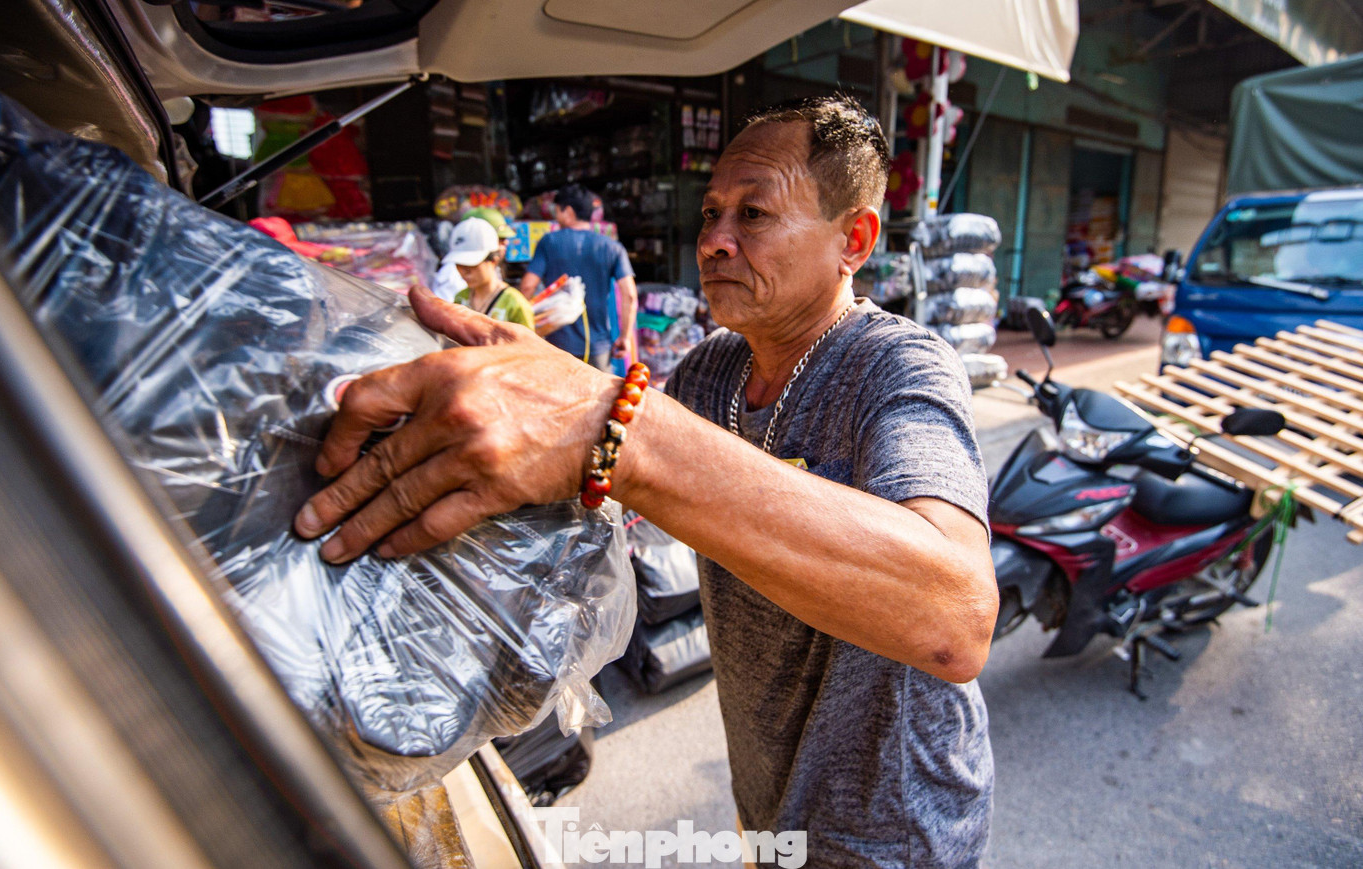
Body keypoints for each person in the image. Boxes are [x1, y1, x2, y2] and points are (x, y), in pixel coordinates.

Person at [294, 95, 998, 868]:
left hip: (894, 832)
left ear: (853, 239)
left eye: (754, 215)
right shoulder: (709, 372)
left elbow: (955, 614)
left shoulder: (897, 365)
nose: (716, 241)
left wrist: (613, 423)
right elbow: (598, 464)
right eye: (711, 214)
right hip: (767, 803)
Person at [519, 184, 637, 369]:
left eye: (557, 211)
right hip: (598, 347)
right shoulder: (612, 247)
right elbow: (629, 295)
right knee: (598, 396)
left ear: (569, 211)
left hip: (556, 345)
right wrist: (625, 337)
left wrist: (521, 327)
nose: (556, 217)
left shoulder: (549, 242)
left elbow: (527, 286)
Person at [445, 217, 535, 329]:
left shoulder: (515, 304)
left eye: (471, 264)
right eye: (459, 264)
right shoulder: (460, 299)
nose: (464, 272)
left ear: (494, 260)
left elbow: (528, 345)